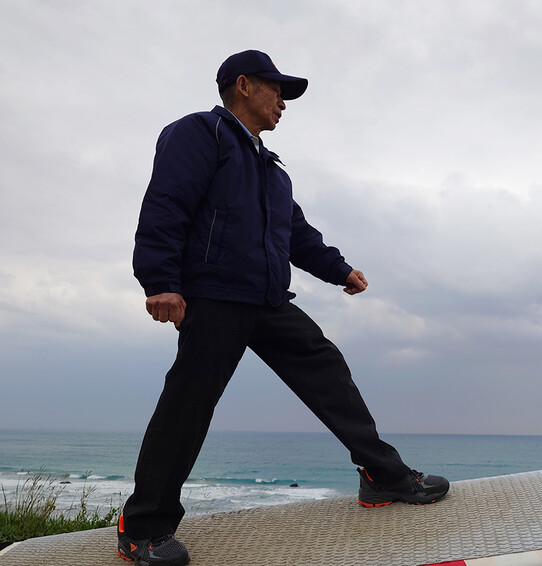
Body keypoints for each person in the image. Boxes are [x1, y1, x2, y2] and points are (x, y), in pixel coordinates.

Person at [117, 49, 449, 566]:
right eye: (278, 91)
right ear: (244, 86)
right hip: (215, 296)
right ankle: (143, 527)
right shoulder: (198, 133)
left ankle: (382, 477)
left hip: (268, 299)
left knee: (328, 371)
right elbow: (166, 203)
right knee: (188, 405)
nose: (284, 104)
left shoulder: (271, 168)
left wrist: (339, 270)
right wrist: (160, 281)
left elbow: (295, 233)